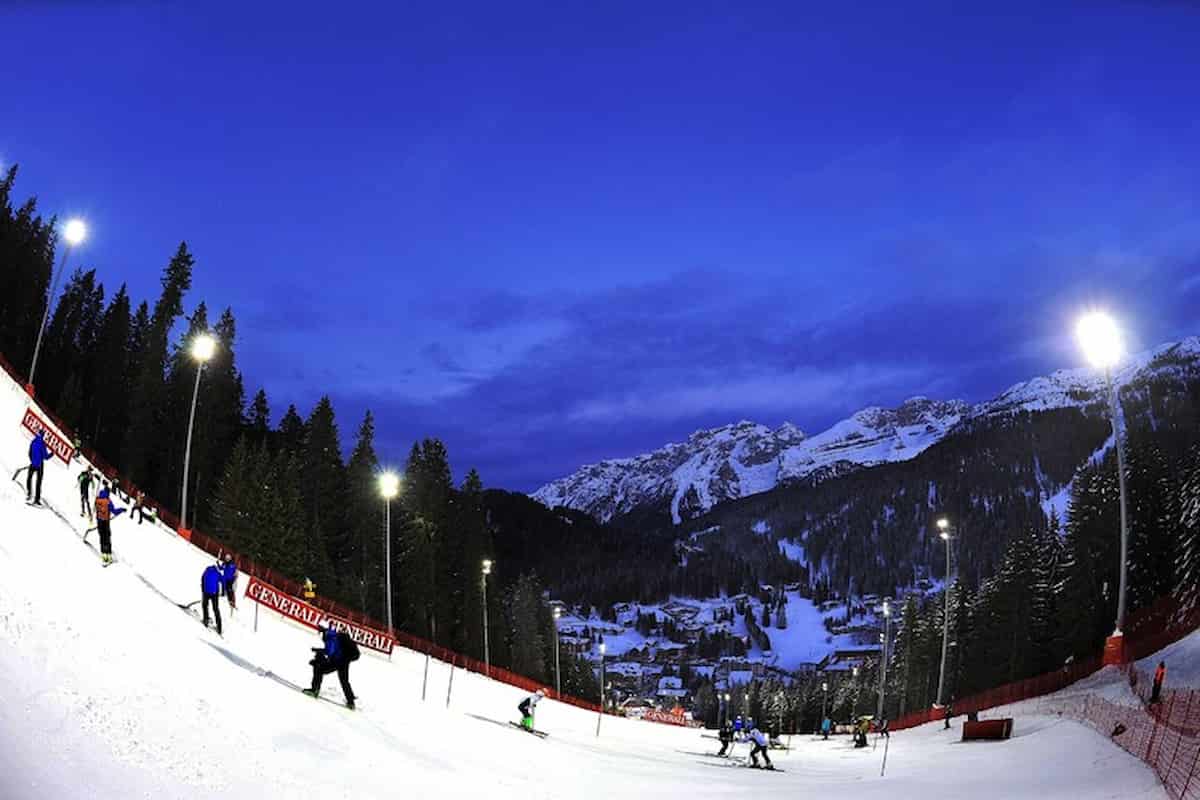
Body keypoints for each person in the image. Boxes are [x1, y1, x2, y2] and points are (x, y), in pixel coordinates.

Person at [304, 624, 357, 709]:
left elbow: (330, 652)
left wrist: (318, 651)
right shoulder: (333, 634)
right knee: (344, 681)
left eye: (319, 628)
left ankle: (314, 690)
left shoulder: (329, 636)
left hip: (338, 660)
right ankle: (351, 702)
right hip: (344, 661)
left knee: (318, 668)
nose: (318, 630)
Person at [92, 486, 125, 564]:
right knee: (107, 538)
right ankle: (109, 555)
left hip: (99, 521)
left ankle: (104, 555)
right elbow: (114, 511)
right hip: (106, 522)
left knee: (102, 538)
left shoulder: (97, 499)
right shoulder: (108, 501)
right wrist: (122, 509)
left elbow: (96, 510)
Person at [26, 430, 50, 505]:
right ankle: (37, 499)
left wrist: (32, 460)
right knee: (38, 482)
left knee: (29, 477)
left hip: (33, 463)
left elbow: (29, 452)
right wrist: (52, 453)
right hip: (39, 465)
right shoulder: (43, 444)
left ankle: (29, 492)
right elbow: (46, 457)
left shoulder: (34, 441)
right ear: (43, 435)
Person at [201, 561, 224, 635]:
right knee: (216, 609)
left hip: (206, 591)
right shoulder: (218, 573)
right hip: (214, 593)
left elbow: (202, 578)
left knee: (205, 605)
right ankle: (219, 627)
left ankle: (206, 619)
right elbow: (223, 581)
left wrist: (203, 589)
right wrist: (223, 592)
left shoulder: (207, 570)